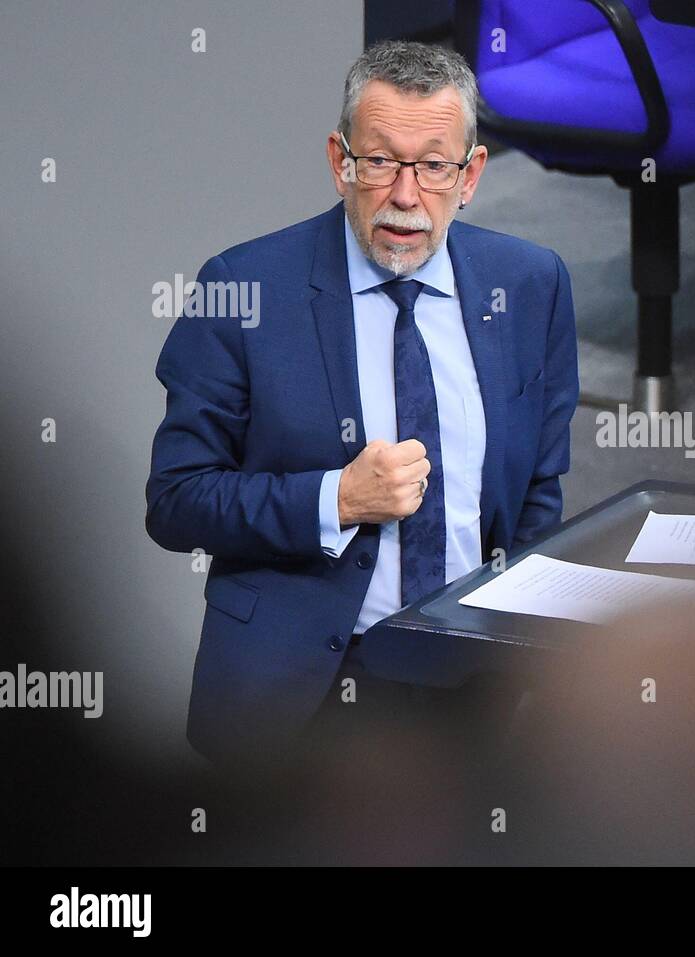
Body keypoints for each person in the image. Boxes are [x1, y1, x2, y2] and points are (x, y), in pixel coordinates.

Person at [146, 40, 579, 765]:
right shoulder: (243, 289)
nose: (405, 196)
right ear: (339, 161)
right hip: (308, 692)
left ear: (471, 174)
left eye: (433, 166)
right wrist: (336, 498)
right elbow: (177, 500)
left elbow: (540, 487)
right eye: (379, 162)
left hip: (481, 688)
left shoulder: (531, 285)